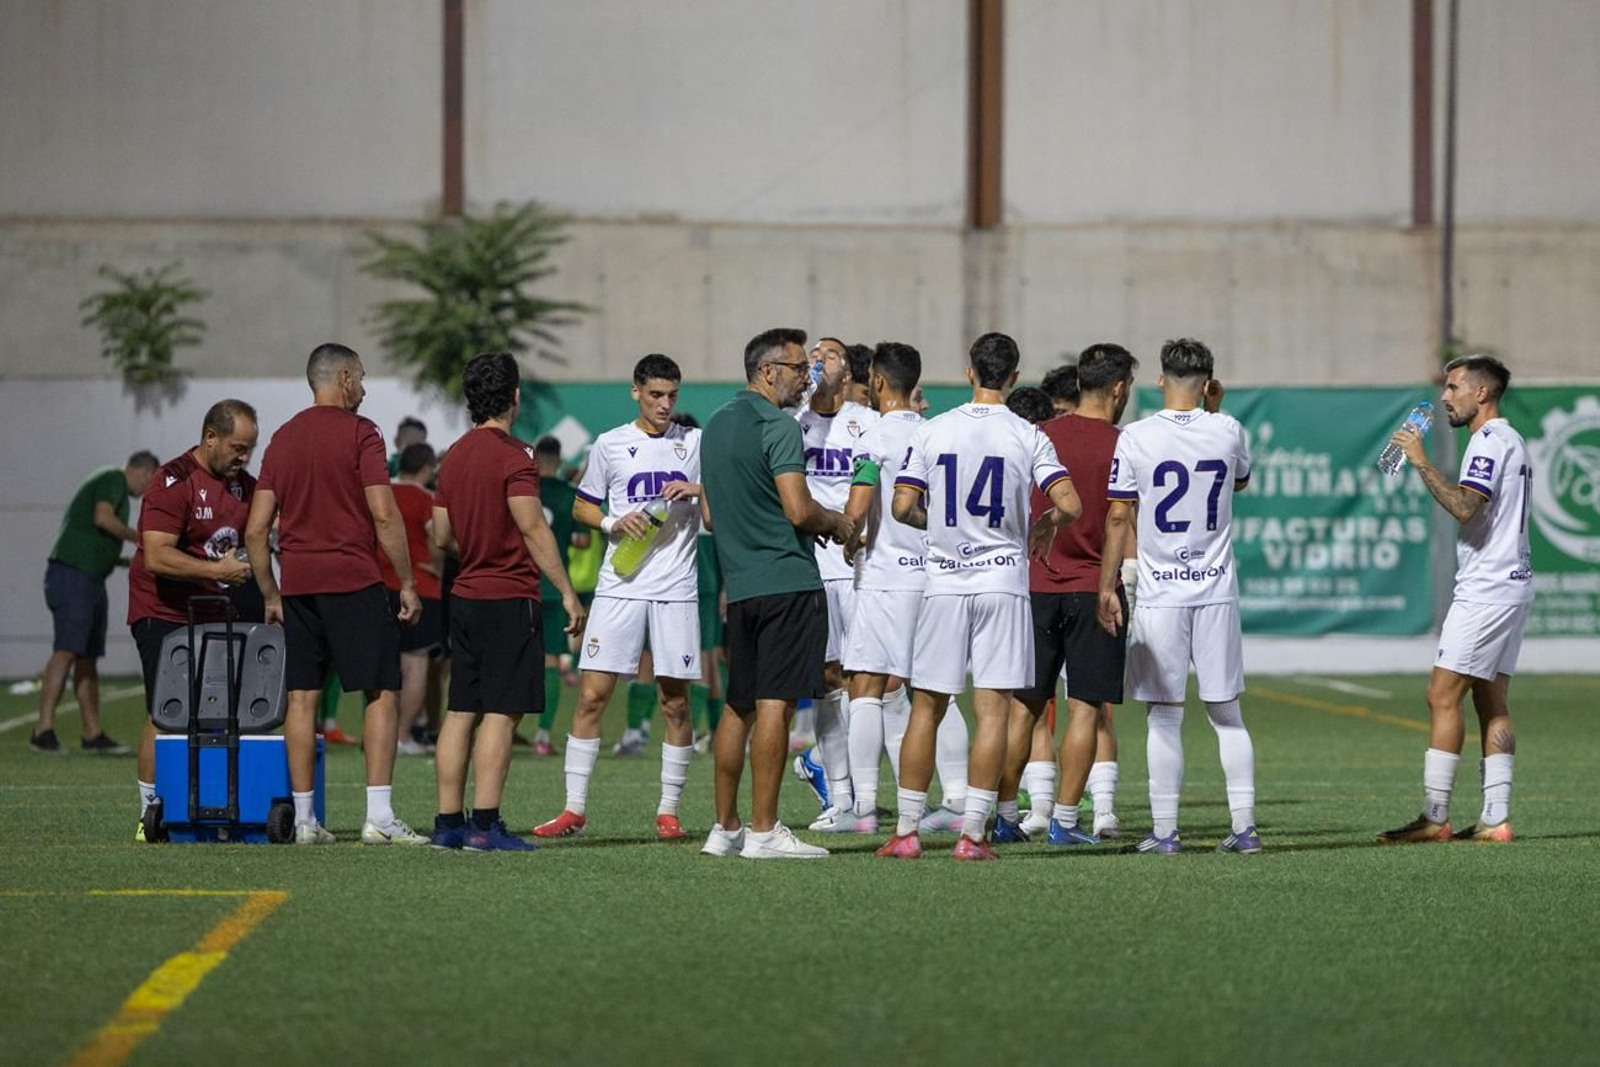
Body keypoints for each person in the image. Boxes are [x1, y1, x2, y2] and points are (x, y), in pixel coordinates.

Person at [876, 332, 1082, 861]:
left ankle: (905, 832)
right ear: (1013, 378)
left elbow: (901, 506)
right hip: (1001, 582)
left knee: (927, 708)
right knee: (994, 712)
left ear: (969, 371)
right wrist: (1043, 524)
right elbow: (1071, 503)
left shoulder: (934, 429)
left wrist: (941, 522)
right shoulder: (1026, 434)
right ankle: (971, 835)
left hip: (944, 581)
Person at [244, 343, 425, 845]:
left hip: (298, 586)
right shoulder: (362, 433)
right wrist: (407, 581)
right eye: (362, 377)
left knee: (301, 699)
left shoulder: (282, 437)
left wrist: (270, 592)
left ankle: (305, 821)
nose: (364, 388)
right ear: (344, 378)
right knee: (381, 691)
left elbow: (256, 530)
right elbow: (384, 514)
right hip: (354, 579)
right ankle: (379, 817)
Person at [1098, 337, 1259, 855]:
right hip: (1215, 590)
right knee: (1227, 713)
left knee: (1164, 715)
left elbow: (1121, 514)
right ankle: (1245, 828)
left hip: (1162, 590)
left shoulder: (1136, 436)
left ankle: (1165, 832)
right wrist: (1216, 409)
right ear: (1209, 384)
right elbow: (1239, 482)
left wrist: (1108, 584)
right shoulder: (1229, 428)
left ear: (1161, 379)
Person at [533, 354, 703, 841]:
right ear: (636, 392)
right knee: (591, 696)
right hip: (620, 587)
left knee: (674, 704)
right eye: (655, 395)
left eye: (672, 395)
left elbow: (731, 491)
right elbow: (585, 505)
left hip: (675, 590)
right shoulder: (610, 444)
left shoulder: (694, 443)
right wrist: (612, 521)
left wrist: (696, 487)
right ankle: (573, 809)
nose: (665, 404)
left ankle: (669, 811)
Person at [700, 327, 855, 859]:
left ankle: (725, 828)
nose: (806, 377)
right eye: (797, 367)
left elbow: (710, 515)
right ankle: (764, 831)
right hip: (788, 582)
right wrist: (835, 522)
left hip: (740, 587)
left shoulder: (716, 424)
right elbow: (797, 509)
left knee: (737, 706)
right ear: (767, 372)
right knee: (775, 707)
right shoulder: (779, 425)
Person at [426, 352, 585, 851]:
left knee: (461, 710)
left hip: (466, 597)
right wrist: (566, 590)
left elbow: (441, 535)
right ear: (515, 397)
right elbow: (533, 527)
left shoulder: (453, 454)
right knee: (502, 710)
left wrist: (476, 545)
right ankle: (485, 824)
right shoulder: (517, 455)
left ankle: (448, 823)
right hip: (509, 597)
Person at [1379, 354, 1530, 844]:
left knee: (1442, 694)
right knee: (1492, 698)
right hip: (1511, 583)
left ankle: (1434, 816)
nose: (1445, 396)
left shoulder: (1488, 441)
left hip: (1487, 589)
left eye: (1454, 387)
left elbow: (1466, 507)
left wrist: (1421, 461)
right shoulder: (1513, 439)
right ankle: (1495, 818)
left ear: (1481, 393)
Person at [1000, 344, 1138, 846]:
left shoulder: (1038, 434)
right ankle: (1064, 820)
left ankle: (1005, 813)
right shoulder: (1125, 445)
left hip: (1033, 588)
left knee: (1024, 707)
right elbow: (1124, 519)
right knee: (1085, 708)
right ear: (1120, 388)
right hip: (1092, 588)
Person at [836, 342, 970, 834]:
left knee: (866, 686)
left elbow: (858, 504)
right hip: (935, 577)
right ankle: (956, 799)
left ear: (875, 381)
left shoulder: (871, 437)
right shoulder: (938, 432)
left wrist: (849, 536)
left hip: (886, 579)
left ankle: (864, 807)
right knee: (935, 691)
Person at [127, 401, 260, 840]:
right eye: (238, 448)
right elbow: (157, 555)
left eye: (250, 449)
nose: (244, 458)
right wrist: (216, 572)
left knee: (217, 714)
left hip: (215, 612)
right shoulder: (173, 481)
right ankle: (149, 815)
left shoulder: (244, 486)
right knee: (168, 711)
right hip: (162, 610)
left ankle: (210, 807)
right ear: (210, 437)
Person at [792, 335, 879, 822]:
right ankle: (839, 796)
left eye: (830, 354)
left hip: (861, 568)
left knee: (866, 678)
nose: (819, 358)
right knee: (826, 678)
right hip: (813, 564)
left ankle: (867, 795)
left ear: (848, 373)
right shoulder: (792, 422)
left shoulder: (868, 424)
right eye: (814, 354)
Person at [30, 451, 158, 754]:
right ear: (143, 470)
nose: (148, 490)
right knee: (66, 650)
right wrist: (143, 540)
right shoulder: (112, 478)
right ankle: (43, 729)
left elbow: (97, 537)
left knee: (86, 657)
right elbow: (103, 518)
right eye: (151, 480)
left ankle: (92, 732)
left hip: (90, 579)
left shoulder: (117, 490)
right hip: (73, 576)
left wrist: (133, 561)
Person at [526, 434, 590, 756]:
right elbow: (582, 541)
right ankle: (542, 736)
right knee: (551, 660)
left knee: (509, 658)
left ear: (534, 459)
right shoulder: (568, 496)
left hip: (521, 584)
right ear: (559, 459)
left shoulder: (524, 490)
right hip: (554, 586)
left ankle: (494, 728)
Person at [381, 442, 444, 757]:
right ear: (426, 469)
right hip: (420, 588)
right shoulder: (425, 498)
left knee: (384, 667)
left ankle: (381, 734)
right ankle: (402, 736)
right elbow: (438, 540)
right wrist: (438, 567)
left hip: (381, 585)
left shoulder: (382, 494)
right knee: (416, 665)